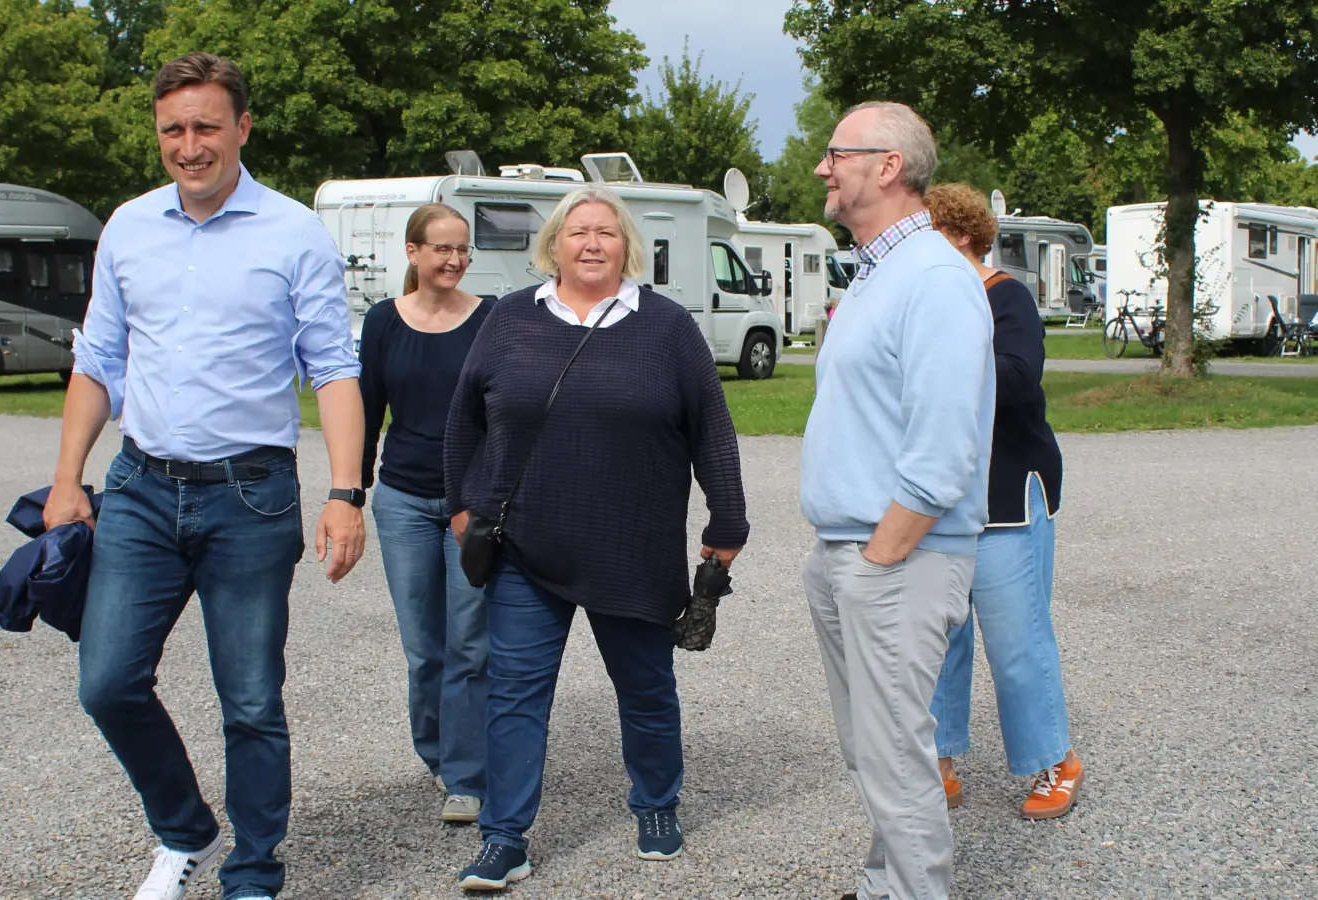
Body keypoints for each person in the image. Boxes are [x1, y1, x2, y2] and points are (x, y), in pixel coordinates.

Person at [43, 52, 368, 900]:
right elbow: (98, 359)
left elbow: (332, 370)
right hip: (142, 489)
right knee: (107, 681)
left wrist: (344, 494)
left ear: (243, 129)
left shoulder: (293, 231)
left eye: (206, 128)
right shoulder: (128, 226)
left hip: (250, 496)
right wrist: (67, 477)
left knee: (251, 700)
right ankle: (184, 829)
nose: (190, 147)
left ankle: (254, 870)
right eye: (173, 130)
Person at [443, 184, 750, 891]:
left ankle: (656, 806)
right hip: (524, 544)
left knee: (645, 689)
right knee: (516, 692)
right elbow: (465, 418)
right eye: (577, 231)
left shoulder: (667, 327)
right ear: (553, 244)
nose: (590, 243)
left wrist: (727, 524)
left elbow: (713, 429)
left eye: (606, 233)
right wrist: (462, 509)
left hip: (630, 545)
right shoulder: (510, 318)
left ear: (627, 247)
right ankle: (504, 837)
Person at [798, 102, 995, 900]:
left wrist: (879, 556)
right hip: (853, 550)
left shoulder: (937, 278)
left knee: (895, 753)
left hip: (898, 556)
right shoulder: (882, 270)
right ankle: (885, 884)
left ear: (886, 166)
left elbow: (944, 447)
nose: (822, 168)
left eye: (836, 153)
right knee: (872, 750)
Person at [923, 182, 1083, 820]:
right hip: (937, 502)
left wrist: (943, 359)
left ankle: (1055, 761)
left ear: (961, 236)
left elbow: (1018, 377)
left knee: (1017, 642)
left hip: (1006, 499)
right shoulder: (928, 303)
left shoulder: (1003, 294)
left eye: (928, 231)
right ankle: (938, 758)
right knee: (938, 638)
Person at [359, 203, 495, 824]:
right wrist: (350, 495)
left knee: (469, 641)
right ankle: (437, 753)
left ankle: (467, 775)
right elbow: (365, 411)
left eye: (463, 249)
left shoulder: (490, 318)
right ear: (412, 252)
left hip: (471, 505)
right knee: (424, 646)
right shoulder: (384, 322)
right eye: (442, 248)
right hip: (404, 501)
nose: (455, 260)